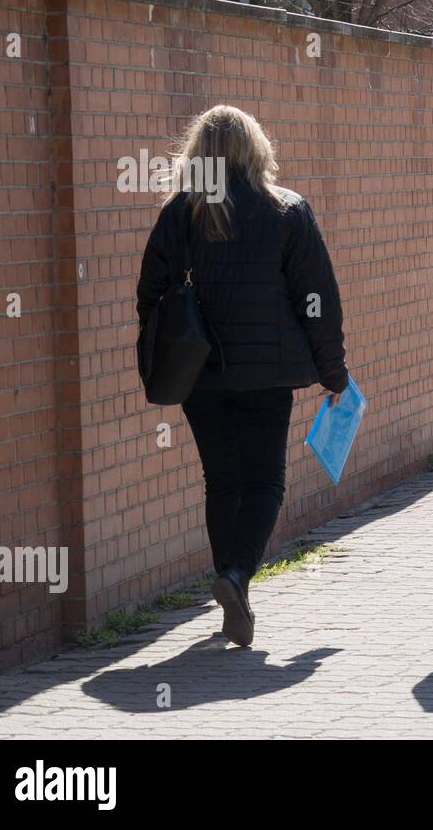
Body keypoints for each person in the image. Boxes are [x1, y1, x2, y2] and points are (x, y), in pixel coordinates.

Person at [136, 105, 348, 647]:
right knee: (265, 481)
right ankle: (236, 576)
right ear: (256, 150)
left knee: (222, 480)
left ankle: (233, 587)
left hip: (199, 375)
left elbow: (149, 297)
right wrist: (333, 372)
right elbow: (317, 299)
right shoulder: (286, 211)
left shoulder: (177, 216)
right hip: (267, 375)